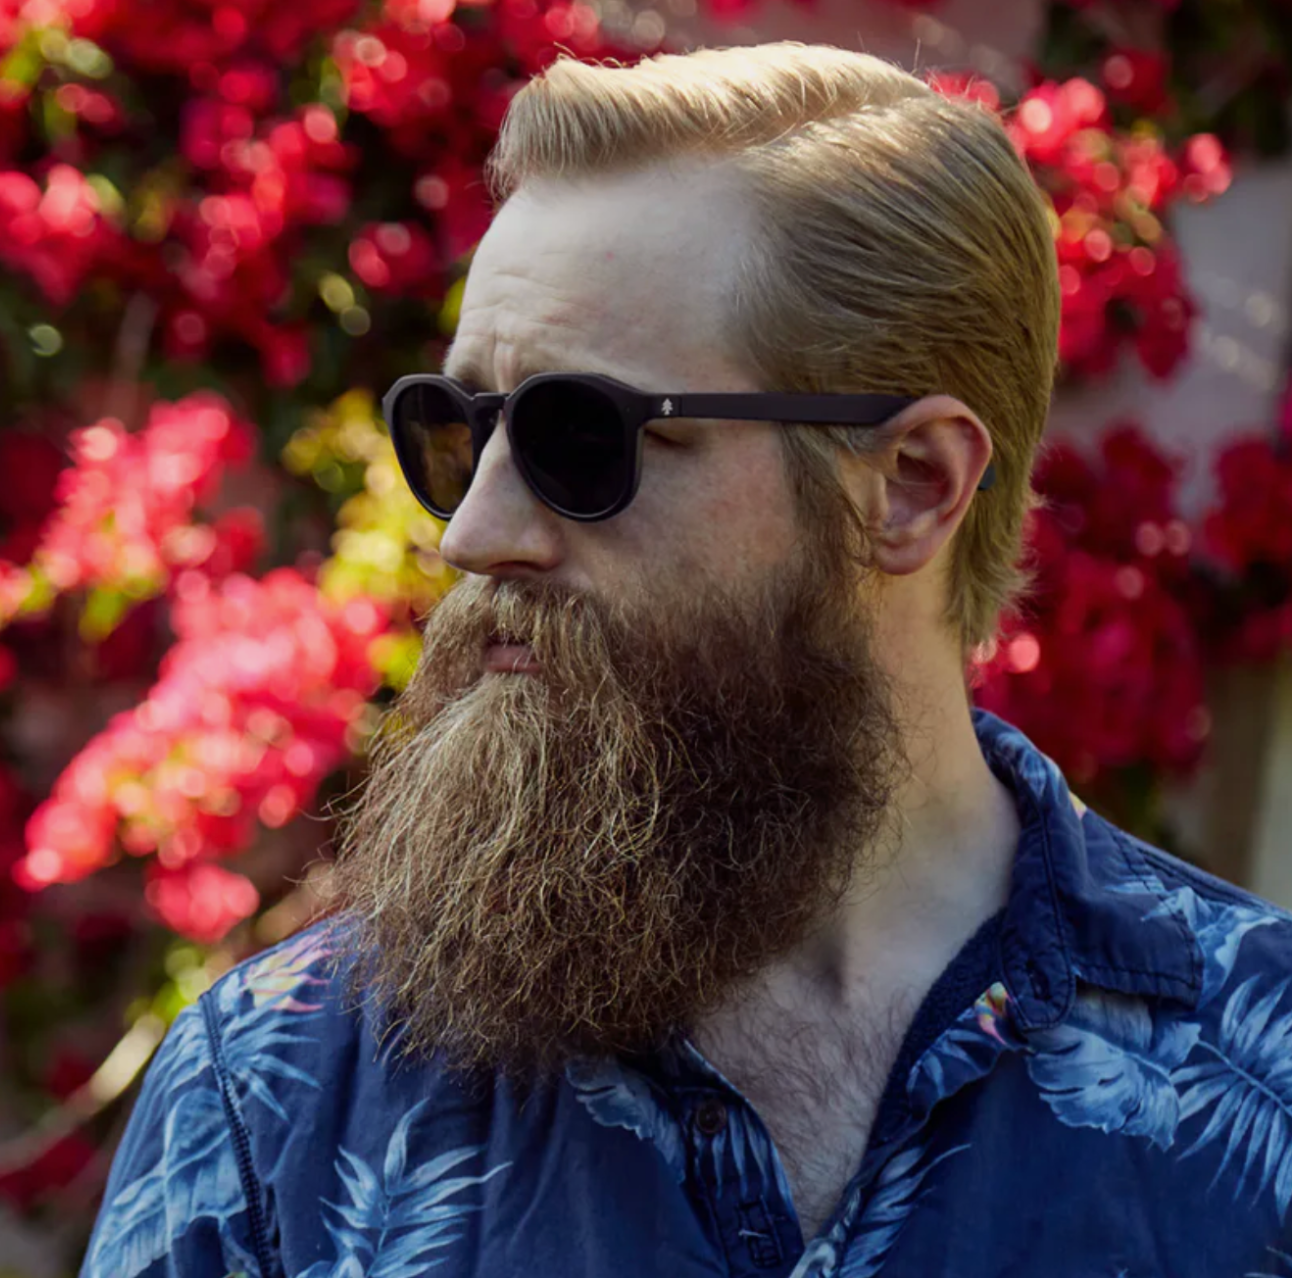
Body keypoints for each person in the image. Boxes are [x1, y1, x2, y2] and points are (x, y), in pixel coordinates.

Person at [82, 42, 1292, 1278]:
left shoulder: (1267, 1081)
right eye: (456, 430)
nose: (470, 535)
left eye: (577, 435)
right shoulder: (278, 1097)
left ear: (909, 486)